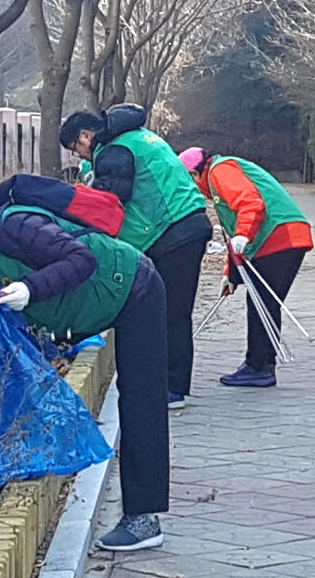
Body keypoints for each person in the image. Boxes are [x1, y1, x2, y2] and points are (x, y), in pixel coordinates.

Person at [0, 190, 170, 552]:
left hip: (130, 287)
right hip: (74, 313)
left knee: (141, 400)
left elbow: (81, 259)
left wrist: (30, 288)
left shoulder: (11, 227)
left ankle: (143, 517)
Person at [60, 105, 212, 413]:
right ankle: (172, 384)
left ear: (86, 136)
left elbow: (109, 202)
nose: (81, 156)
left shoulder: (114, 151)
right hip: (185, 226)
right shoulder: (137, 136)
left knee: (170, 312)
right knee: (175, 311)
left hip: (172, 233)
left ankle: (171, 388)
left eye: (76, 148)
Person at [178, 148, 313, 389]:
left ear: (194, 173)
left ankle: (259, 367)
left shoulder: (220, 171)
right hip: (280, 237)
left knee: (262, 303)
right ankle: (259, 365)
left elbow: (250, 203)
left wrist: (243, 235)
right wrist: (231, 274)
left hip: (279, 237)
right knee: (263, 302)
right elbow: (233, 233)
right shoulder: (216, 177)